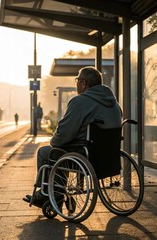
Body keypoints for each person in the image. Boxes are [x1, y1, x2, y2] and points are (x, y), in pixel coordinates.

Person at [23, 66, 122, 205]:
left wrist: (54, 141)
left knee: (47, 152)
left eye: (77, 80)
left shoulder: (80, 102)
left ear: (83, 83)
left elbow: (63, 134)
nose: (76, 84)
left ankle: (49, 194)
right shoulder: (114, 103)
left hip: (86, 156)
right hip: (109, 157)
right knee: (63, 152)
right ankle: (56, 194)